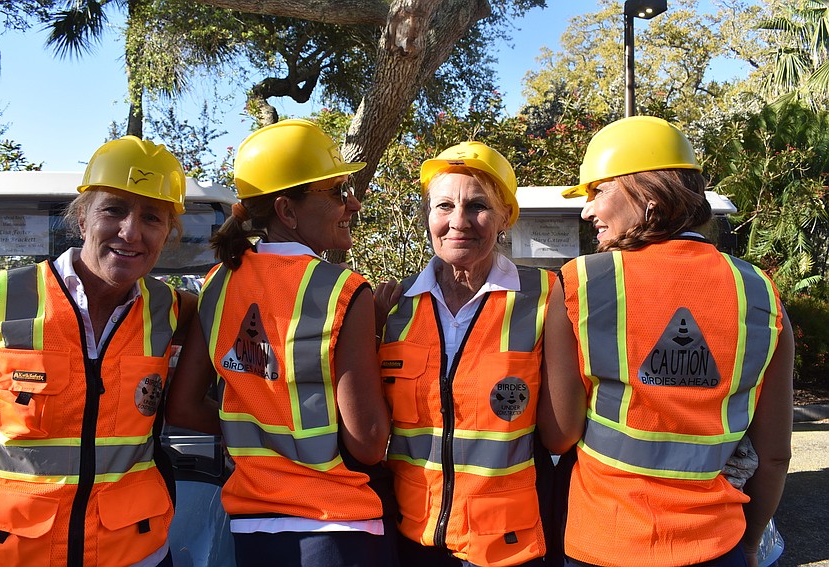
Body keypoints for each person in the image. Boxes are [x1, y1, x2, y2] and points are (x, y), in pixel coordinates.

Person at [539, 115, 795, 567]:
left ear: (649, 194)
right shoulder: (760, 292)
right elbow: (774, 457)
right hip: (718, 546)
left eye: (598, 190)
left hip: (603, 544)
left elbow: (559, 438)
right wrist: (751, 544)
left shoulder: (583, 282)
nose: (586, 210)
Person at [166, 118, 396, 567]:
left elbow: (183, 407)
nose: (352, 203)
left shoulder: (217, 285)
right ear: (287, 211)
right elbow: (368, 441)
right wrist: (380, 334)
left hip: (251, 530)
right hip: (337, 528)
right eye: (335, 191)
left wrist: (257, 435)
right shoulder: (344, 291)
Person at [0, 136, 192, 566]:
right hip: (14, 552)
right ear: (81, 218)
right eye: (113, 209)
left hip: (137, 553)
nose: (130, 232)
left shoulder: (173, 308)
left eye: (152, 217)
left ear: (168, 233)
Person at [375, 141, 557, 567]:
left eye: (477, 206)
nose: (458, 221)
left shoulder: (546, 297)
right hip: (411, 539)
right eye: (443, 206)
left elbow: (560, 431)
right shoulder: (392, 305)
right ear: (427, 216)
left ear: (505, 217)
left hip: (508, 547)